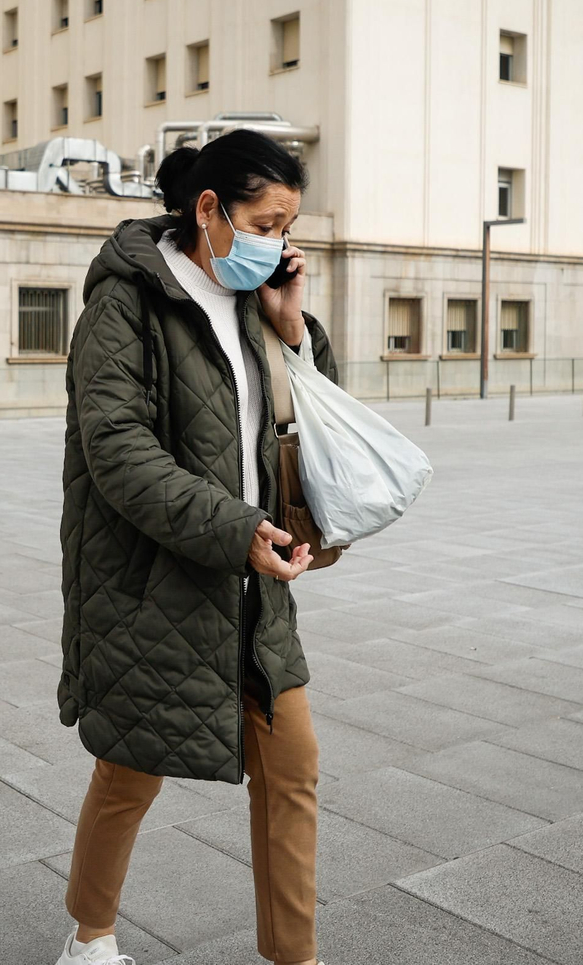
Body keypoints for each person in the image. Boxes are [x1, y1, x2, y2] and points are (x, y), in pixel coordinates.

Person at [55, 129, 340, 965]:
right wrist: (233, 528)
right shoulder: (126, 301)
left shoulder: (261, 305)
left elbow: (311, 422)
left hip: (255, 586)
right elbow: (117, 448)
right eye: (266, 220)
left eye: (289, 226)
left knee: (295, 763)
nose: (278, 243)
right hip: (155, 579)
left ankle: (295, 957)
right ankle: (90, 936)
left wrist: (294, 331)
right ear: (208, 208)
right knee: (131, 768)